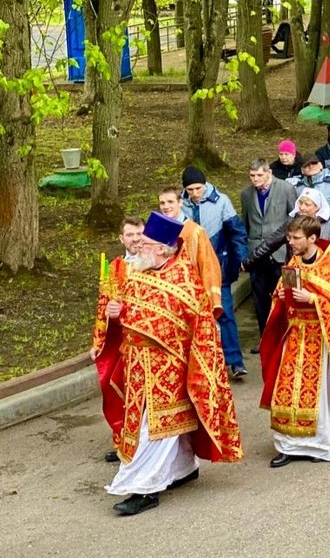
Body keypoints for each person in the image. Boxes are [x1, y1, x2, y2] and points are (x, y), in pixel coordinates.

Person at [101, 212, 243, 515]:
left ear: (164, 248)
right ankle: (182, 468)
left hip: (168, 369)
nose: (139, 247)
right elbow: (130, 308)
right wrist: (116, 312)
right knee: (155, 428)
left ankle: (143, 488)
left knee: (154, 431)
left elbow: (170, 326)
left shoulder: (183, 277)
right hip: (138, 366)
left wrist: (126, 315)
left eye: (147, 243)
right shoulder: (141, 270)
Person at [260, 215, 330, 466]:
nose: (291, 242)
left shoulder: (329, 263)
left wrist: (313, 300)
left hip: (322, 341)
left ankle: (321, 445)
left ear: (312, 238)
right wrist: (282, 296)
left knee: (320, 396)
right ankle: (288, 445)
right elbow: (280, 296)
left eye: (296, 238)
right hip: (295, 336)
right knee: (286, 391)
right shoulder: (293, 262)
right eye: (289, 237)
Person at [181, 167, 250, 379]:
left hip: (218, 267)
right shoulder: (179, 204)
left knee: (225, 313)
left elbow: (236, 231)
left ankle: (235, 361)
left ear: (205, 184)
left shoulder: (221, 201)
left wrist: (241, 257)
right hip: (191, 271)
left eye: (198, 188)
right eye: (190, 189)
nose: (195, 193)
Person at [91, 216, 145, 464]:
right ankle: (121, 439)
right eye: (130, 235)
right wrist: (97, 341)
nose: (135, 239)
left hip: (143, 341)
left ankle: (141, 444)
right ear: (121, 238)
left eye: (139, 234)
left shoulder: (152, 264)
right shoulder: (114, 266)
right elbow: (103, 305)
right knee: (113, 388)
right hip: (118, 341)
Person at [245, 187, 330, 295]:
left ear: (317, 207)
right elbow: (270, 243)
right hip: (292, 273)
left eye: (307, 204)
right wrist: (247, 262)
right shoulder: (291, 221)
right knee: (291, 309)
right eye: (300, 203)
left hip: (319, 275)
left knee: (315, 308)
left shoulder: (328, 227)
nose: (302, 208)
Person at [241, 159, 299, 345]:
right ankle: (265, 338)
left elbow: (294, 218)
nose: (255, 179)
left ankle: (289, 336)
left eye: (259, 175)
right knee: (259, 299)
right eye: (252, 175)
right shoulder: (246, 193)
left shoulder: (286, 189)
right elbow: (246, 222)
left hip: (282, 251)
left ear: (269, 173)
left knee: (287, 295)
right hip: (257, 252)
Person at [157, 187, 224, 319]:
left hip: (190, 298)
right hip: (163, 298)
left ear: (180, 202)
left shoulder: (195, 231)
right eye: (162, 203)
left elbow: (208, 265)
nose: (166, 206)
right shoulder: (156, 230)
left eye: (170, 202)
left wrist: (210, 299)